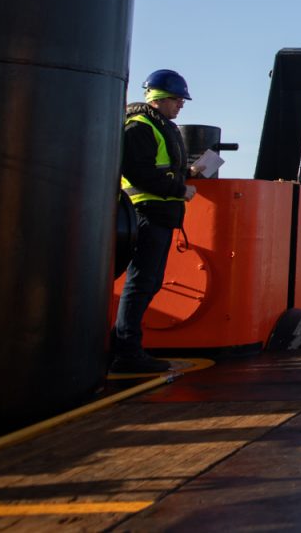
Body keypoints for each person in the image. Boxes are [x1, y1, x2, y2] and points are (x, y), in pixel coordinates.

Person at [115, 69, 197, 374]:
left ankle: (122, 344)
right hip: (147, 212)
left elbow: (162, 167)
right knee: (141, 283)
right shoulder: (139, 126)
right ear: (159, 98)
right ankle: (127, 351)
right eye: (176, 99)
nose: (181, 105)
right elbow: (140, 172)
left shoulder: (163, 127)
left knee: (149, 282)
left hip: (161, 214)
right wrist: (180, 189)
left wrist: (190, 174)